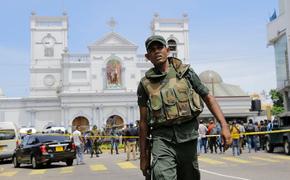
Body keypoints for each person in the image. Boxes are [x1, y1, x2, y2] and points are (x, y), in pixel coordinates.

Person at [137, 35, 232, 180]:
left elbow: (208, 98)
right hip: (162, 139)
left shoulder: (186, 73)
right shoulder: (145, 84)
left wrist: (224, 126)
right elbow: (143, 122)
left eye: (160, 47)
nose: (156, 51)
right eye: (152, 49)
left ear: (167, 50)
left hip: (188, 137)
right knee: (162, 175)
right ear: (147, 56)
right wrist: (143, 156)